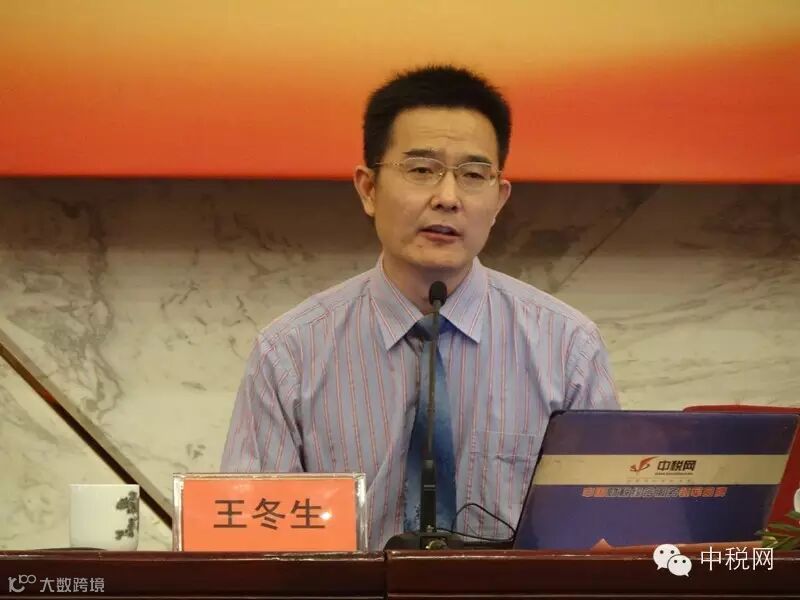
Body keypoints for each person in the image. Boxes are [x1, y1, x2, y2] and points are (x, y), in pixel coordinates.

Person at [221, 65, 619, 550]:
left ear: (499, 198)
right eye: (421, 170)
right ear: (368, 189)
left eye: (473, 175)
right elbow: (251, 548)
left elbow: (603, 537)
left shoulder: (567, 348)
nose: (447, 198)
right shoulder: (290, 354)